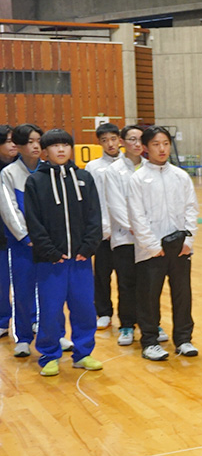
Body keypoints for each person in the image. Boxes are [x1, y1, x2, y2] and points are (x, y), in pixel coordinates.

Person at [23, 129, 103, 376]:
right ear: (45, 151)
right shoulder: (35, 182)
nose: (60, 149)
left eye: (65, 145)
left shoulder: (84, 178)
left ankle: (83, 353)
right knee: (50, 310)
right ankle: (49, 354)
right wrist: (50, 251)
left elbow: (94, 215)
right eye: (54, 146)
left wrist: (88, 246)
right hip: (51, 262)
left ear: (71, 149)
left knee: (84, 308)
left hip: (80, 260)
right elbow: (33, 222)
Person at [128, 126, 199, 361]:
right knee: (149, 297)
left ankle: (184, 339)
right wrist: (152, 246)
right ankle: (149, 342)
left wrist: (188, 240)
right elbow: (136, 216)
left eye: (166, 144)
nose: (162, 149)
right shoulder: (138, 178)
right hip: (151, 250)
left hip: (180, 247)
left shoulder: (180, 176)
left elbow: (191, 208)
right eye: (156, 144)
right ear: (145, 148)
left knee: (182, 295)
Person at [103, 124, 151, 346]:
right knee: (126, 283)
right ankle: (127, 325)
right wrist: (136, 227)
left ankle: (150, 323)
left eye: (141, 139)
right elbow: (115, 205)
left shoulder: (150, 167)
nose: (137, 144)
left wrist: (147, 231)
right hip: (125, 237)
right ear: (122, 142)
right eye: (132, 139)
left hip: (148, 238)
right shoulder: (113, 171)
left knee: (149, 284)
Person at [1, 124, 44, 357]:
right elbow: (9, 209)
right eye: (29, 142)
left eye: (38, 140)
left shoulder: (48, 169)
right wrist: (26, 236)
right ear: (18, 146)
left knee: (51, 292)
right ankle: (24, 337)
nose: (35, 146)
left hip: (48, 244)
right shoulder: (9, 173)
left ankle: (53, 333)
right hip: (22, 245)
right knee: (23, 290)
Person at [86, 122, 120, 331]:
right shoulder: (93, 167)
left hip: (126, 232)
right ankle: (104, 312)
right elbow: (93, 200)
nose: (110, 144)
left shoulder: (129, 165)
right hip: (102, 232)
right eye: (105, 140)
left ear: (120, 140)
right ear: (99, 143)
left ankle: (129, 314)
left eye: (113, 139)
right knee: (101, 274)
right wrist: (101, 228)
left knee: (128, 276)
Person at [0, 124, 16, 339]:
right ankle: (3, 320)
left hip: (24, 235)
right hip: (1, 235)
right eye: (8, 141)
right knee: (2, 283)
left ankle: (32, 320)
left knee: (29, 282)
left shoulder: (24, 166)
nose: (13, 145)